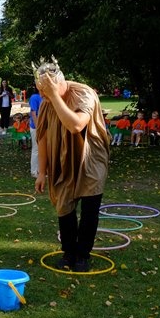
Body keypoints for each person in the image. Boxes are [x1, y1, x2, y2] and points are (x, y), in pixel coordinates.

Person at [34, 59, 109, 273]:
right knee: (64, 206)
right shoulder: (47, 103)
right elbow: (42, 138)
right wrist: (42, 172)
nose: (42, 95)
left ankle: (83, 255)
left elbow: (76, 125)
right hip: (62, 160)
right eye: (40, 90)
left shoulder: (84, 94)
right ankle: (68, 252)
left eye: (45, 89)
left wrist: (54, 96)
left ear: (58, 83)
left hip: (90, 158)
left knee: (89, 209)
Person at [28, 86, 43, 177]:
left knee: (43, 149)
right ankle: (34, 171)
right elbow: (33, 113)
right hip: (36, 128)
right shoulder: (34, 97)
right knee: (36, 149)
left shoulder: (45, 96)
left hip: (44, 127)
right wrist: (38, 127)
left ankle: (41, 170)